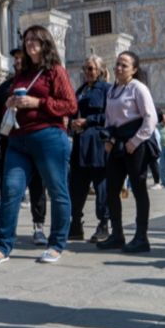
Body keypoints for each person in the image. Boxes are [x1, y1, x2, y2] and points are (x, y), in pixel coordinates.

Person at [0, 25, 77, 267]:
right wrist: (12, 102)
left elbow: (70, 105)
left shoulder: (55, 71)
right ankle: (2, 247)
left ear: (45, 43)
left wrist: (38, 102)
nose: (29, 43)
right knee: (10, 190)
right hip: (18, 140)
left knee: (57, 191)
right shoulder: (22, 74)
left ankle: (56, 244)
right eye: (27, 40)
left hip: (48, 137)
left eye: (35, 39)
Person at [96, 51, 157, 254]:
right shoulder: (113, 90)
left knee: (139, 189)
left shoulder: (138, 88)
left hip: (135, 143)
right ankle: (117, 235)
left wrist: (136, 141)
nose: (119, 68)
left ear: (134, 69)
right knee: (112, 189)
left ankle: (141, 237)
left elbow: (150, 118)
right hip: (117, 143)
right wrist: (109, 139)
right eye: (117, 64)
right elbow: (109, 118)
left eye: (124, 65)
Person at [0, 48, 49, 246]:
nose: (17, 63)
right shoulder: (5, 87)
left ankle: (38, 227)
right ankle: (7, 230)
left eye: (21, 59)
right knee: (9, 187)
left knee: (37, 186)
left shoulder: (39, 85)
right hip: (10, 143)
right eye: (15, 59)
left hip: (35, 141)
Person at [68, 55, 111, 242]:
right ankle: (76, 224)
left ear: (100, 70)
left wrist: (88, 121)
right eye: (85, 68)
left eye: (91, 68)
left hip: (97, 144)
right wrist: (72, 123)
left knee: (101, 185)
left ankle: (104, 224)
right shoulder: (81, 90)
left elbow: (111, 116)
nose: (87, 72)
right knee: (76, 185)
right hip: (80, 145)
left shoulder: (107, 90)